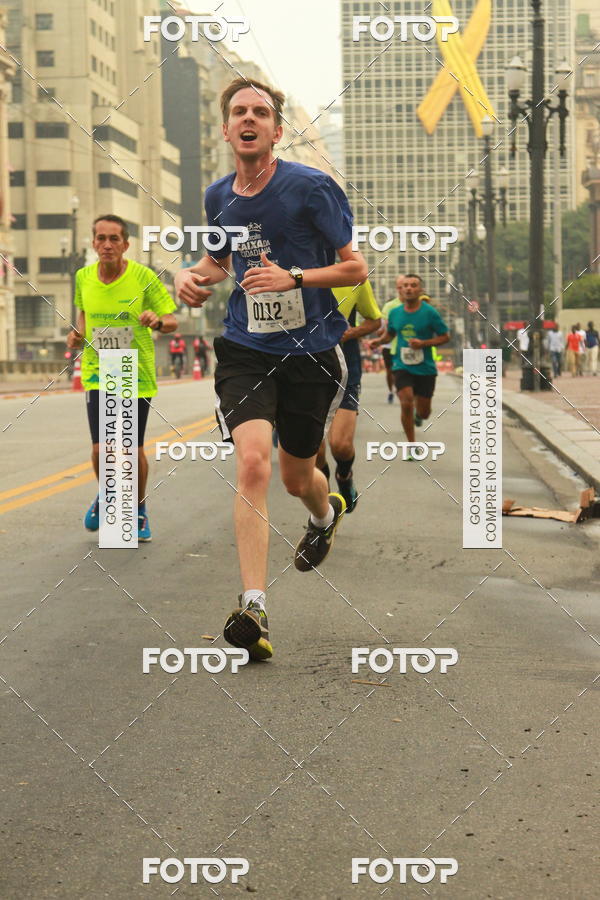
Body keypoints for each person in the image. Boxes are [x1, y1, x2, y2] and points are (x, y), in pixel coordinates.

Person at [175, 77, 367, 661]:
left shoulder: (311, 188)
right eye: (239, 111)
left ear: (277, 131)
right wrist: (188, 277)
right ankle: (254, 606)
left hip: (310, 352)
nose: (249, 119)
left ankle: (323, 509)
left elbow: (355, 269)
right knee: (253, 461)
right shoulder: (217, 197)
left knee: (297, 475)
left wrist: (295, 277)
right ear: (227, 128)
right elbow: (216, 259)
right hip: (245, 347)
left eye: (261, 111)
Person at [66, 214, 178, 541]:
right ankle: (108, 497)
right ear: (93, 243)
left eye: (114, 239)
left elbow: (172, 321)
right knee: (102, 449)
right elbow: (83, 319)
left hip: (131, 369)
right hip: (97, 370)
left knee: (128, 449)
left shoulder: (144, 277)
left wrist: (156, 321)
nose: (107, 244)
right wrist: (76, 336)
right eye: (101, 238)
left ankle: (138, 509)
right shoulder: (83, 277)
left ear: (126, 245)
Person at [316, 279, 381, 512]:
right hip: (305, 372)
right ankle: (323, 505)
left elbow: (375, 321)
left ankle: (344, 477)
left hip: (345, 369)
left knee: (341, 445)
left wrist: (350, 332)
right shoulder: (291, 273)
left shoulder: (353, 277)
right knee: (313, 453)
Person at [370, 275, 449, 448]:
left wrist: (424, 343)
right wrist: (379, 341)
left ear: (420, 290)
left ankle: (419, 416)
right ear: (400, 289)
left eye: (413, 285)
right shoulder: (395, 313)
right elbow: (390, 334)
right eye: (405, 285)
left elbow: (445, 336)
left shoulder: (430, 313)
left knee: (424, 411)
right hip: (401, 364)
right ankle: (411, 445)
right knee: (406, 402)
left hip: (425, 367)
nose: (408, 289)